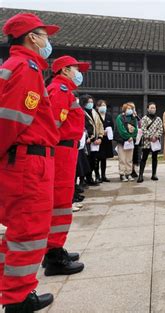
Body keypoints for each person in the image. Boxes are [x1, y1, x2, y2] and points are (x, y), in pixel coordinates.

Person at [0, 13, 60, 311]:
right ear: (30, 37)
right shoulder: (26, 67)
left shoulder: (16, 66)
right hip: (28, 161)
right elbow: (12, 121)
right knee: (29, 230)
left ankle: (9, 286)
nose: (48, 41)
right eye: (44, 35)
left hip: (25, 158)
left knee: (18, 229)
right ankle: (18, 298)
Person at [43, 55, 89, 277]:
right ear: (63, 70)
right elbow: (53, 125)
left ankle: (55, 248)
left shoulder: (65, 91)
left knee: (62, 200)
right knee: (61, 202)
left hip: (67, 150)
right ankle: (53, 256)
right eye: (74, 69)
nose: (78, 73)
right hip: (61, 151)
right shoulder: (59, 91)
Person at [137, 102, 163, 183]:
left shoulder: (158, 119)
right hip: (147, 142)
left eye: (154, 108)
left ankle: (154, 174)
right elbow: (143, 129)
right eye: (151, 108)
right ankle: (140, 175)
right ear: (148, 109)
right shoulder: (144, 118)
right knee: (144, 158)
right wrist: (150, 136)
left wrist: (156, 136)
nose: (153, 109)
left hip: (155, 141)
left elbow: (161, 129)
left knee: (155, 158)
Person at [82, 95, 104, 185]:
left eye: (91, 102)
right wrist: (88, 138)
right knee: (84, 161)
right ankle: (83, 180)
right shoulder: (82, 112)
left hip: (95, 142)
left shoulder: (95, 112)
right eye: (88, 102)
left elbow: (100, 125)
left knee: (93, 161)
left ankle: (90, 178)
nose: (90, 104)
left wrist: (100, 137)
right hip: (86, 141)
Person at [114, 102, 138, 181]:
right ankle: (122, 174)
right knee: (122, 158)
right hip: (122, 141)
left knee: (129, 158)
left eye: (131, 109)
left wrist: (132, 137)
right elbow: (121, 129)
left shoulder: (133, 118)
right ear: (124, 109)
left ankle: (129, 173)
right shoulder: (119, 117)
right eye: (128, 109)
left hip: (130, 142)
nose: (130, 110)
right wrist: (127, 137)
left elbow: (136, 129)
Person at [96, 100, 114, 182]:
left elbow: (112, 126)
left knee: (104, 159)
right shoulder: (95, 115)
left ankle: (103, 175)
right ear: (97, 107)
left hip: (106, 140)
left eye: (104, 105)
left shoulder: (109, 116)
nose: (103, 107)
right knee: (97, 158)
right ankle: (97, 175)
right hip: (98, 140)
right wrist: (101, 133)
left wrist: (108, 132)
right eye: (101, 105)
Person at [129, 102, 141, 179]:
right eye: (131, 108)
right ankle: (128, 171)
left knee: (135, 156)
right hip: (129, 139)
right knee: (128, 156)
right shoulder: (125, 117)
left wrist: (137, 117)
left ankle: (133, 170)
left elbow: (140, 124)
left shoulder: (136, 117)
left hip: (137, 139)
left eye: (133, 108)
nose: (133, 110)